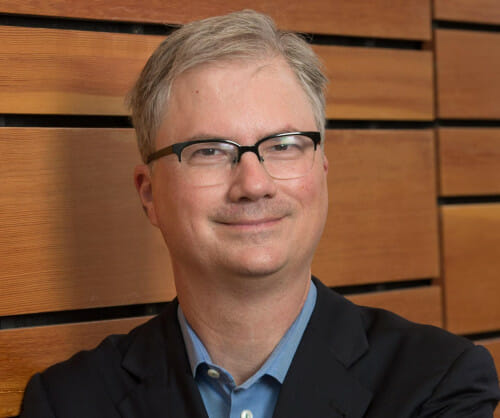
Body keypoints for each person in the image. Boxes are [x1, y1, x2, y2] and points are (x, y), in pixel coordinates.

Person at [20, 10, 499, 418]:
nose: (253, 184)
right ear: (149, 195)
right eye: (208, 150)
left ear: (321, 172)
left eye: (284, 145)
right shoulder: (65, 403)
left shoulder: (438, 383)